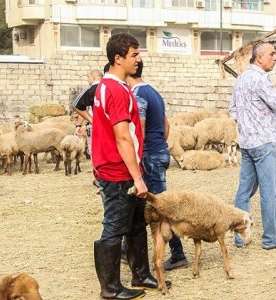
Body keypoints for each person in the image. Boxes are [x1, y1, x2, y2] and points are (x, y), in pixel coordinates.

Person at [92, 33, 159, 300]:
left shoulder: (109, 86)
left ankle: (140, 273)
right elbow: (122, 137)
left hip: (122, 168)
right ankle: (110, 288)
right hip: (118, 171)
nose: (138, 59)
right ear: (117, 58)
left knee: (135, 224)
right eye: (134, 54)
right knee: (114, 227)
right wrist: (137, 178)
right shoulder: (117, 91)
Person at [229, 42, 276, 250]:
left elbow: (233, 112)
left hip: (247, 143)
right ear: (259, 58)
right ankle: (271, 239)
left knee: (244, 191)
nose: (275, 58)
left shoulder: (240, 79)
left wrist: (249, 125)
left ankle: (240, 237)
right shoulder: (261, 80)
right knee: (270, 193)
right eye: (272, 54)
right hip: (266, 143)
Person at [126, 61, 189, 271]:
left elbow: (139, 130)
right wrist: (160, 145)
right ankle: (129, 248)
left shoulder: (138, 95)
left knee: (160, 206)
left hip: (149, 154)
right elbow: (166, 125)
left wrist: (137, 156)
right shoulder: (153, 92)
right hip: (158, 150)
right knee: (152, 203)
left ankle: (178, 254)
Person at [73, 69, 103, 158]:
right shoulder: (110, 87)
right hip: (110, 127)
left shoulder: (91, 89)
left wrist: (92, 121)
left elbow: (77, 105)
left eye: (88, 77)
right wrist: (79, 125)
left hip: (96, 126)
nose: (87, 79)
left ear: (93, 77)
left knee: (96, 154)